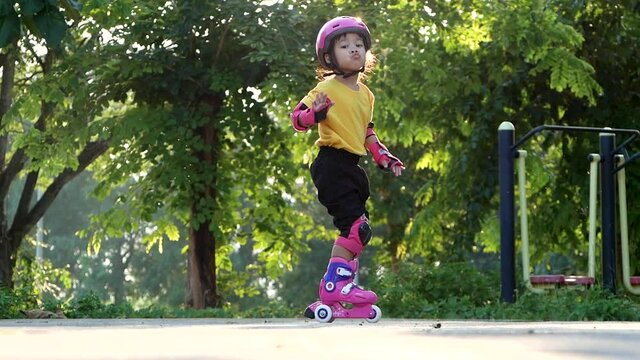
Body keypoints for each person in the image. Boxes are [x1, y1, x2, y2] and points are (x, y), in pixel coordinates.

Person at [290, 16, 405, 317]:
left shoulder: (367, 95)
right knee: (355, 227)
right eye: (345, 45)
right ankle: (335, 286)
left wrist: (383, 156)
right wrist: (314, 114)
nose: (354, 50)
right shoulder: (326, 87)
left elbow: (367, 132)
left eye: (359, 45)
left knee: (360, 231)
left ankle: (337, 290)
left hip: (352, 167)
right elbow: (297, 119)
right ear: (329, 57)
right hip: (331, 163)